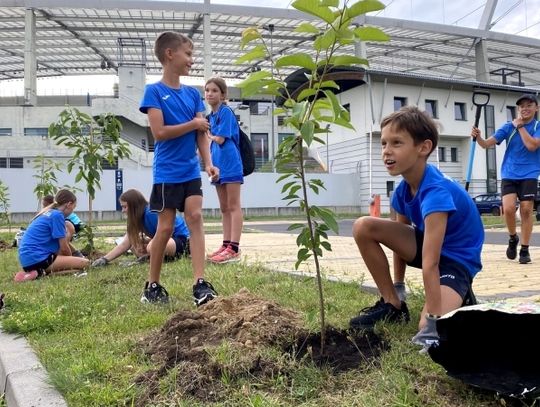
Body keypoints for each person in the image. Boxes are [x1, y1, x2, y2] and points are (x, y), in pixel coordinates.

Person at [348, 106, 484, 348]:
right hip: (427, 246)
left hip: (455, 260)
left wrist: (432, 321)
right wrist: (398, 288)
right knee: (363, 226)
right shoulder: (402, 190)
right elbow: (401, 242)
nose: (387, 151)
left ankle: (461, 296)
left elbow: (431, 263)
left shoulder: (436, 193)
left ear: (423, 148)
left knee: (428, 328)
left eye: (397, 143)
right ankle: (393, 305)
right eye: (383, 143)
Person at [139, 31, 219, 305]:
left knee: (195, 217)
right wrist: (194, 124)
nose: (191, 61)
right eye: (188, 54)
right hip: (166, 173)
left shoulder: (192, 94)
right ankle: (152, 286)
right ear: (169, 55)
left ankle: (200, 282)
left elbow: (201, 134)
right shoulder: (154, 92)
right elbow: (159, 132)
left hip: (189, 171)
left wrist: (208, 163)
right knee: (165, 228)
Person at [471, 93, 540, 264]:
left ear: (536, 108)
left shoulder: (538, 126)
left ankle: (524, 249)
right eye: (522, 106)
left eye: (529, 105)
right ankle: (512, 238)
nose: (525, 108)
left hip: (530, 173)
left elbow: (532, 146)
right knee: (508, 209)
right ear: (518, 109)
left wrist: (520, 127)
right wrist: (478, 136)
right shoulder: (508, 127)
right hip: (509, 173)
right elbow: (487, 144)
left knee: (525, 210)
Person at [91, 189, 190, 266]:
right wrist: (104, 259)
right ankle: (154, 257)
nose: (123, 210)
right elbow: (125, 244)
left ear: (134, 205)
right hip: (167, 242)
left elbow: (168, 232)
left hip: (182, 240)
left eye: (125, 207)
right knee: (135, 245)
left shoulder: (151, 213)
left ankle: (153, 257)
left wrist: (150, 242)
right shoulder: (136, 218)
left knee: (152, 246)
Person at [204, 77, 244, 264]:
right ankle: (226, 244)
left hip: (230, 163)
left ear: (222, 95)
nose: (210, 93)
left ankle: (234, 248)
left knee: (234, 205)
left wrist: (207, 134)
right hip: (217, 165)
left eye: (214, 90)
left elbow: (219, 139)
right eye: (207, 90)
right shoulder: (209, 116)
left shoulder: (226, 112)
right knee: (224, 207)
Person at [15, 189, 89, 282]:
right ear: (69, 204)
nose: (72, 211)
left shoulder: (49, 212)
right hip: (38, 259)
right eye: (73, 208)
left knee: (68, 225)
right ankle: (41, 273)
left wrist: (76, 254)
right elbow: (64, 248)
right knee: (85, 264)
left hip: (28, 260)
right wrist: (72, 260)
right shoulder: (57, 215)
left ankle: (37, 272)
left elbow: (62, 241)